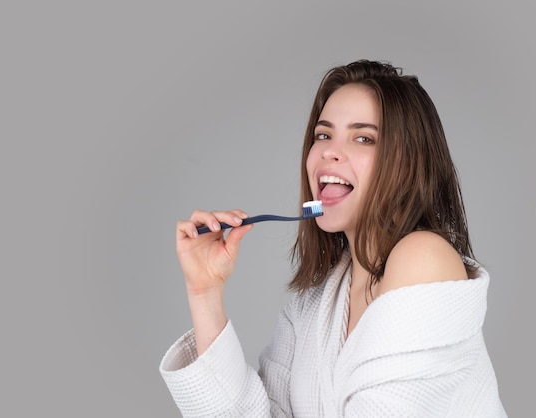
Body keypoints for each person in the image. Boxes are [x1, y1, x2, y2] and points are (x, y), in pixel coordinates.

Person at [160, 60, 507, 417]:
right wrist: (205, 294)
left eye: (363, 138)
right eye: (323, 135)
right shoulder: (312, 304)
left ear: (406, 165)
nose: (328, 151)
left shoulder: (424, 258)